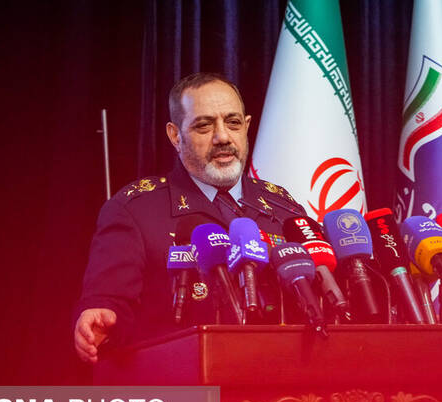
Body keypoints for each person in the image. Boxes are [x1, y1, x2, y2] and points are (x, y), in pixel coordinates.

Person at [74, 72, 306, 363]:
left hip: (285, 377)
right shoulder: (135, 210)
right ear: (175, 135)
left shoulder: (284, 208)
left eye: (233, 123)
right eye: (204, 126)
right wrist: (102, 318)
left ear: (246, 127)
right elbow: (109, 302)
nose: (223, 137)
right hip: (184, 381)